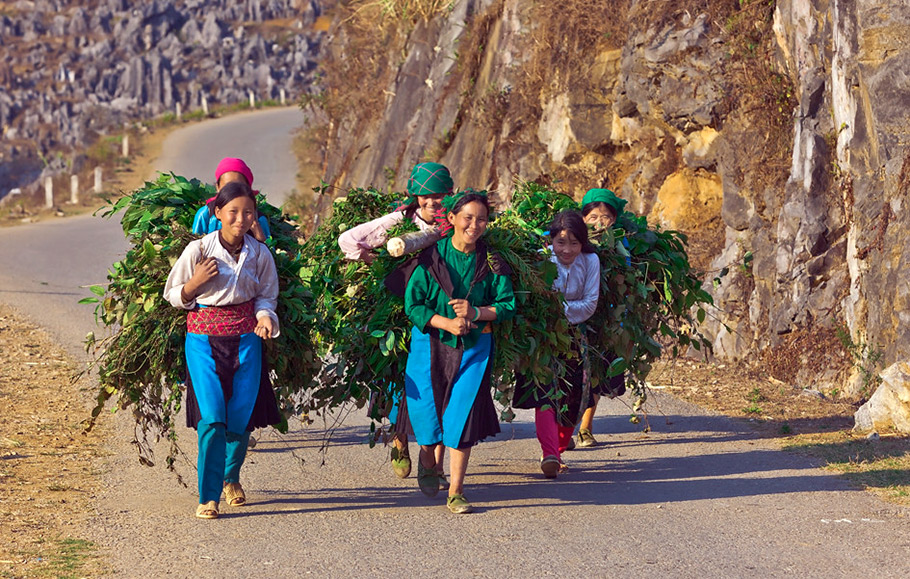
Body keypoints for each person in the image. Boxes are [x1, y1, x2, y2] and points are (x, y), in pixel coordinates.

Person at [387, 190, 515, 513]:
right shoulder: (431, 259)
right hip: (429, 343)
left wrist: (475, 314)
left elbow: (507, 304)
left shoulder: (491, 261)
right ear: (453, 219)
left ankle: (456, 490)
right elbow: (413, 304)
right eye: (468, 217)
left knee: (460, 419)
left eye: (482, 219)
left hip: (474, 347)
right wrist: (446, 322)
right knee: (428, 422)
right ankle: (428, 458)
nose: (474, 224)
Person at [163, 181, 281, 520]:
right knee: (213, 419)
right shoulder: (198, 251)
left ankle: (231, 477)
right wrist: (194, 284)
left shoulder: (259, 254)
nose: (241, 219)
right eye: (233, 212)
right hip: (203, 342)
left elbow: (267, 296)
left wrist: (264, 317)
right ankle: (209, 497)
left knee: (239, 422)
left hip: (246, 341)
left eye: (248, 213)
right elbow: (172, 294)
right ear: (217, 214)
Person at [338, 162, 452, 482]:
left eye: (440, 196)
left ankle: (434, 461)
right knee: (398, 380)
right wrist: (373, 259)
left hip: (437, 312)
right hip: (395, 310)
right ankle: (399, 437)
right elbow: (348, 240)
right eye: (426, 197)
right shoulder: (400, 222)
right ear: (414, 197)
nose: (433, 203)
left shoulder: (455, 221)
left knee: (438, 384)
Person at [513, 210, 600, 477]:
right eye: (561, 242)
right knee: (545, 393)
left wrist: (557, 309)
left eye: (574, 243)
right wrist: (553, 312)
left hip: (574, 337)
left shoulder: (591, 260)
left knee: (574, 396)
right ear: (551, 240)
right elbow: (538, 301)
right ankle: (549, 452)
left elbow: (590, 304)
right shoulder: (540, 260)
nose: (567, 249)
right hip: (542, 335)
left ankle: (559, 446)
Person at [574, 187, 629, 448]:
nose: (599, 223)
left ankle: (586, 426)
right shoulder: (573, 242)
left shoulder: (621, 246)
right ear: (583, 218)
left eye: (605, 217)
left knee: (596, 370)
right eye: (593, 216)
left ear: (614, 220)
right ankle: (563, 428)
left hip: (605, 318)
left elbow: (626, 280)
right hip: (575, 315)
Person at [193, 157, 270, 242]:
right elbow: (195, 243)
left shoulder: (258, 219)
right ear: (218, 187)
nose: (240, 219)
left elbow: (269, 252)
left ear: (248, 188)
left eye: (239, 186)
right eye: (227, 186)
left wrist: (259, 236)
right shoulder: (206, 214)